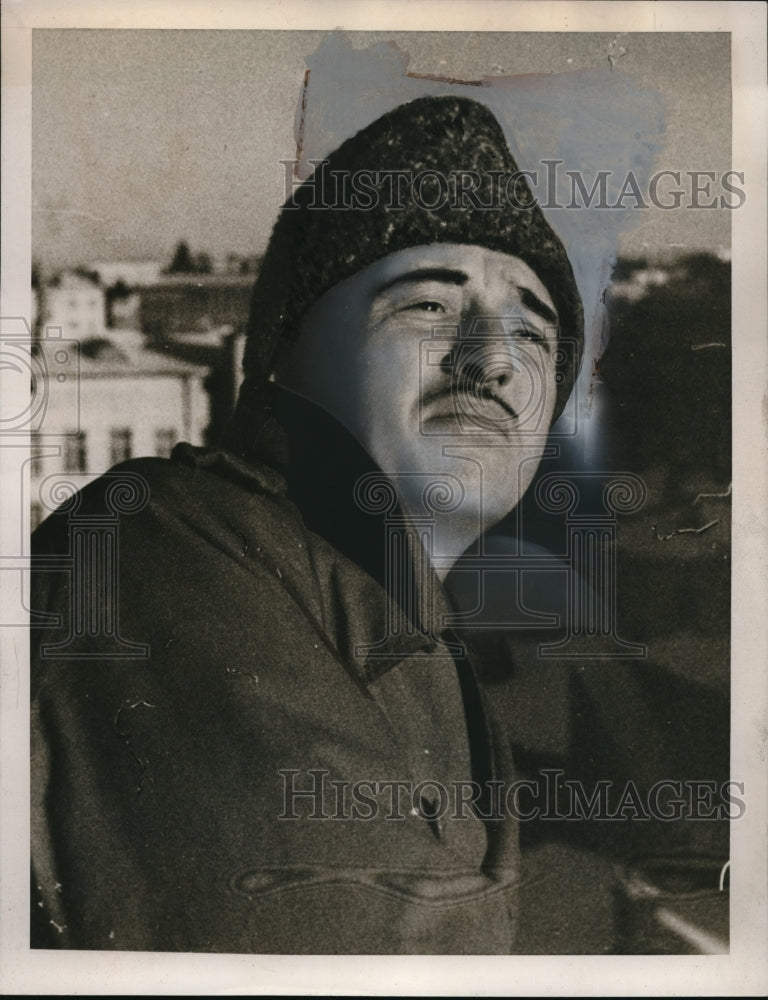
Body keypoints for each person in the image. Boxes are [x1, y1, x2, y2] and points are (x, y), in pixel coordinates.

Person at [30, 95, 727, 954]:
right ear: (278, 357)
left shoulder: (380, 608)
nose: (494, 356)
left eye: (535, 332)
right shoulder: (171, 548)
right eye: (429, 306)